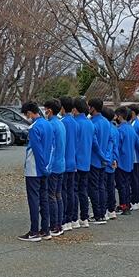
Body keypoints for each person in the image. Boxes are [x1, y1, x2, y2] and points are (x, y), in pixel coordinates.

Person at [19, 102, 52, 242]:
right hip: (46, 167)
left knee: (33, 200)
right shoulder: (48, 125)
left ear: (29, 113)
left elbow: (36, 151)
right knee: (44, 198)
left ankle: (34, 231)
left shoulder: (34, 128)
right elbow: (52, 147)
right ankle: (45, 229)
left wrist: (41, 167)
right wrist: (47, 167)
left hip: (34, 169)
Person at [45, 99, 66, 236]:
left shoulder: (51, 125)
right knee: (58, 195)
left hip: (53, 166)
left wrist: (47, 167)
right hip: (61, 164)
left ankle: (54, 225)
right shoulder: (61, 123)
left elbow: (51, 148)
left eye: (45, 109)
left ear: (50, 110)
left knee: (51, 196)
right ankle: (59, 224)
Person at [88, 98, 110, 225]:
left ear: (93, 108)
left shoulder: (93, 123)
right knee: (102, 186)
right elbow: (110, 141)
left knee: (94, 188)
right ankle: (102, 212)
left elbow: (94, 144)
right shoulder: (107, 122)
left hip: (95, 159)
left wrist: (102, 156)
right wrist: (106, 157)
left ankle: (97, 214)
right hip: (104, 160)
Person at [73, 98, 93, 229]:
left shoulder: (76, 123)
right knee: (83, 191)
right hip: (87, 161)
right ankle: (84, 217)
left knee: (74, 191)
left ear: (75, 109)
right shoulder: (90, 123)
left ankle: (74, 218)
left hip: (76, 162)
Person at [59, 97, 78, 231]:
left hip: (64, 161)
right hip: (73, 160)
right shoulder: (75, 122)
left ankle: (64, 219)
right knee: (72, 191)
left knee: (63, 192)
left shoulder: (63, 122)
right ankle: (72, 218)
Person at [114, 107, 137, 215]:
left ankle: (124, 205)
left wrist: (114, 159)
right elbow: (138, 144)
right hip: (130, 161)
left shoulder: (120, 130)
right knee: (127, 184)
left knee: (121, 185)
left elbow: (117, 147)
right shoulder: (131, 129)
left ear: (120, 116)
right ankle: (127, 204)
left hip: (121, 161)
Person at [101, 107, 118, 220]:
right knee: (110, 186)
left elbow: (109, 146)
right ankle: (111, 209)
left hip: (106, 161)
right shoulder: (115, 128)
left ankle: (106, 209)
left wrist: (106, 160)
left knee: (104, 187)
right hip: (112, 160)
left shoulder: (106, 128)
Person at [129, 105, 139, 209]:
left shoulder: (134, 124)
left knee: (135, 179)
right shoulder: (138, 123)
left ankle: (135, 200)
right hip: (138, 155)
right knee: (138, 178)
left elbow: (136, 142)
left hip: (135, 156)